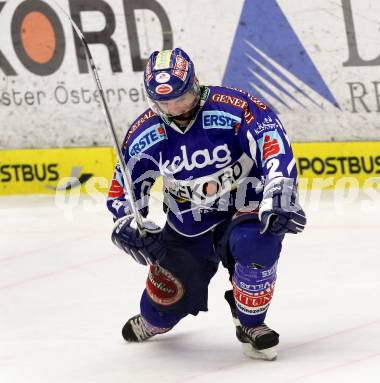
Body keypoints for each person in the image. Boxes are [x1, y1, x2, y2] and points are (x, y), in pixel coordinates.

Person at [107, 48, 306, 360]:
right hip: (188, 224)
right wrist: (127, 223)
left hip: (244, 207)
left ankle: (250, 323)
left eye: (181, 97)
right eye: (163, 102)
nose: (173, 108)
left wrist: (279, 190)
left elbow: (272, 142)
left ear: (195, 84)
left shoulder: (235, 107)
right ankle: (154, 320)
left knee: (258, 245)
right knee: (162, 304)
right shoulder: (146, 132)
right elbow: (125, 189)